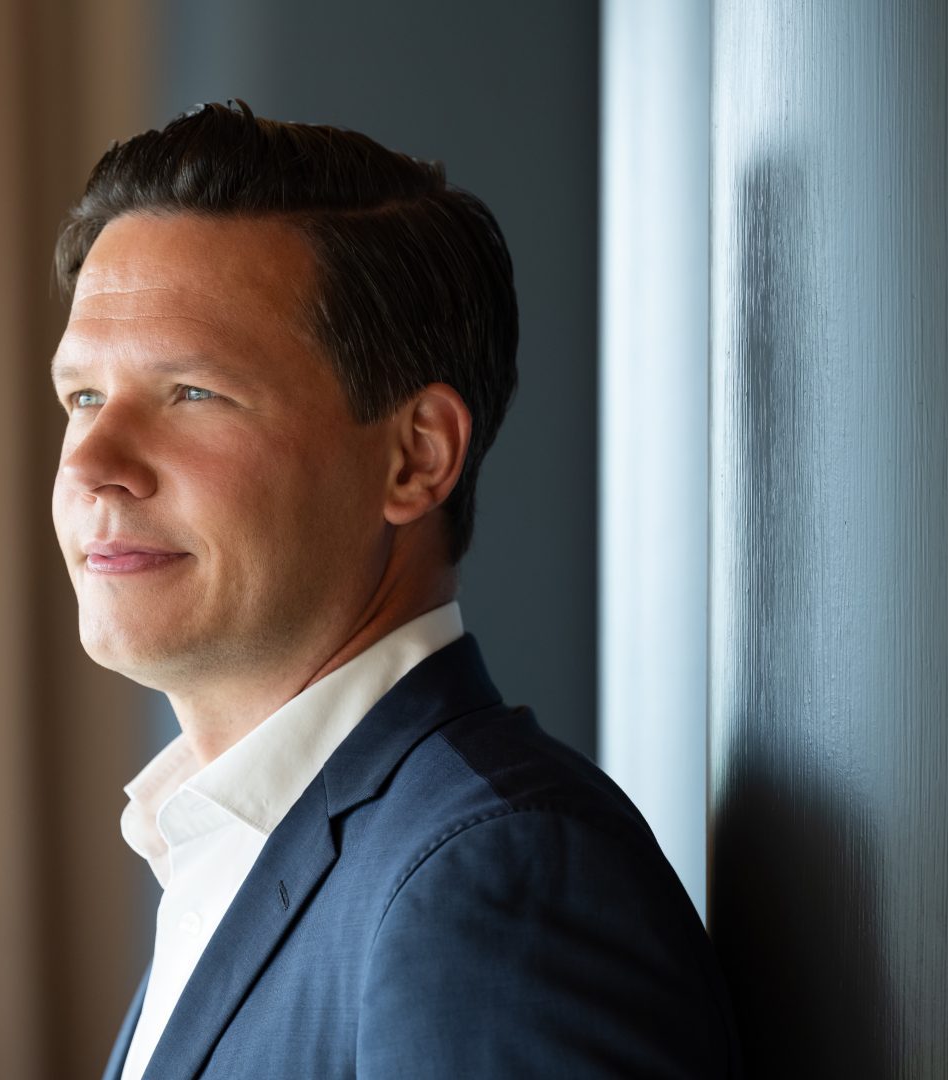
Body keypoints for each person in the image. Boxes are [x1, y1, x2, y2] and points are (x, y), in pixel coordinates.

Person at [49, 101, 740, 1079]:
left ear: (417, 457)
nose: (92, 464)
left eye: (193, 393)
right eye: (83, 396)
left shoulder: (493, 875)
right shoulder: (229, 848)